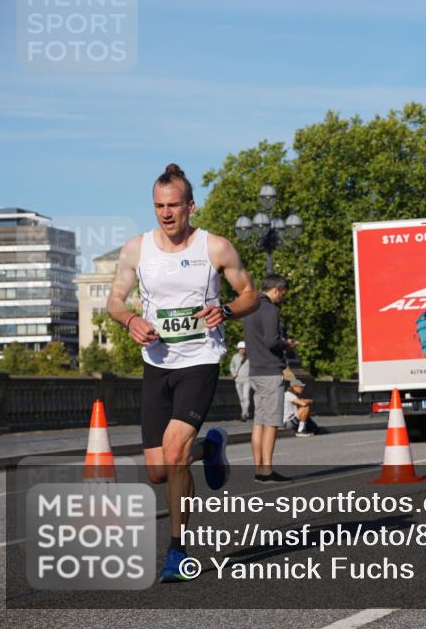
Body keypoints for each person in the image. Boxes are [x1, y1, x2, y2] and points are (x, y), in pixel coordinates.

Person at [106, 163, 258, 583]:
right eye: (159, 206)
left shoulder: (216, 247)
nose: (166, 214)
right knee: (158, 470)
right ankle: (209, 449)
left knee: (174, 454)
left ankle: (176, 550)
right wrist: (130, 320)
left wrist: (224, 309)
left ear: (191, 206)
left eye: (174, 205)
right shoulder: (137, 249)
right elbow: (115, 302)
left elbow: (251, 295)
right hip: (156, 363)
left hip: (200, 360)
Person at [244, 274, 297, 483]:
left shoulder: (250, 309)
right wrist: (288, 344)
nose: (282, 297)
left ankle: (259, 468)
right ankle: (267, 470)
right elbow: (271, 341)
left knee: (259, 422)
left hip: (255, 370)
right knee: (272, 423)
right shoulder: (270, 310)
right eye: (283, 293)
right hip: (270, 370)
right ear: (277, 290)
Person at [230, 341, 252, 421]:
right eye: (241, 349)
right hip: (238, 380)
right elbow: (232, 366)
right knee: (241, 398)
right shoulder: (235, 357)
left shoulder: (249, 357)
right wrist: (233, 373)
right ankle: (244, 412)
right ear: (238, 349)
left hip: (247, 380)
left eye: (244, 349)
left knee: (246, 397)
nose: (243, 350)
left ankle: (244, 414)